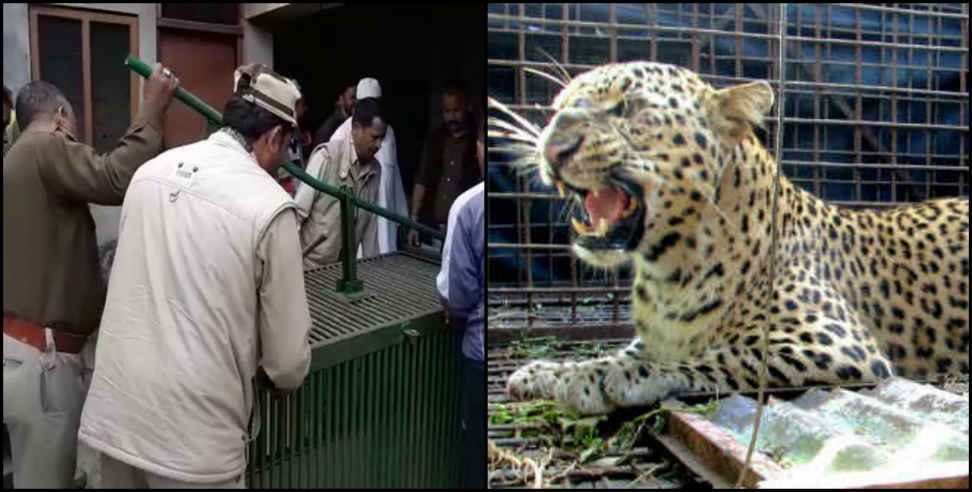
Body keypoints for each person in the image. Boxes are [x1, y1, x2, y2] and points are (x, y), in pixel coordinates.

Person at [77, 64, 312, 488]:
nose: (286, 159)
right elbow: (288, 364)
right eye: (288, 144)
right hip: (194, 448)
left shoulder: (148, 174)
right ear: (275, 137)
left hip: (115, 420)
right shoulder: (269, 205)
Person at [3, 63, 179, 489]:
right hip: (43, 363)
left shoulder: (17, 162)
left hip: (24, 354)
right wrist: (151, 110)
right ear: (61, 114)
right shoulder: (45, 146)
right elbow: (114, 177)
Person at [437, 118, 484, 489]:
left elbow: (459, 299)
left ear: (481, 146)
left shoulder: (468, 207)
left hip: (480, 354)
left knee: (476, 453)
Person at [296, 97, 386, 269]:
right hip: (308, 267)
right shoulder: (326, 157)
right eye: (374, 137)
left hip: (343, 272)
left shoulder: (375, 170)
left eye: (382, 138)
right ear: (356, 129)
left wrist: (375, 275)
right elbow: (297, 216)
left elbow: (370, 231)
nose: (379, 145)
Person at [328, 78, 408, 256]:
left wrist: (402, 217)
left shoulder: (389, 133)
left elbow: (394, 177)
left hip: (384, 220)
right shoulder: (339, 137)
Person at [409, 80, 480, 249]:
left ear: (468, 107)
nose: (451, 117)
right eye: (447, 112)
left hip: (463, 232)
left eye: (456, 110)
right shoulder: (435, 139)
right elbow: (422, 180)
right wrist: (413, 221)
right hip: (432, 228)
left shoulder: (477, 142)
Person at [312, 83, 354, 149]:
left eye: (358, 98)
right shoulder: (330, 127)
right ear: (341, 100)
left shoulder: (354, 122)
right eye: (352, 98)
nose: (356, 102)